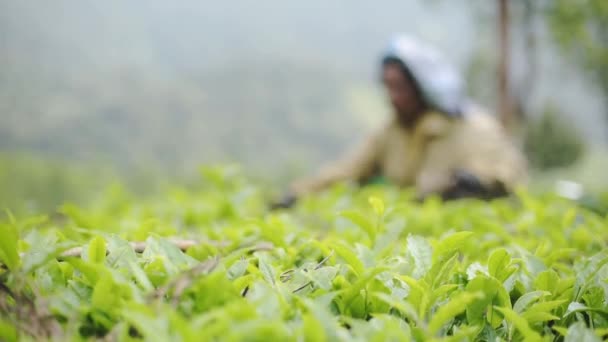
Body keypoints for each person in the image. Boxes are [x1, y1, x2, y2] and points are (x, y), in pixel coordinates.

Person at [273, 35, 527, 209]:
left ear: (421, 87)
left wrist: (474, 182)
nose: (392, 97)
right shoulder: (390, 131)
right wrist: (297, 193)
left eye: (400, 88)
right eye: (388, 87)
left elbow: (507, 172)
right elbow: (347, 171)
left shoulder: (471, 126)